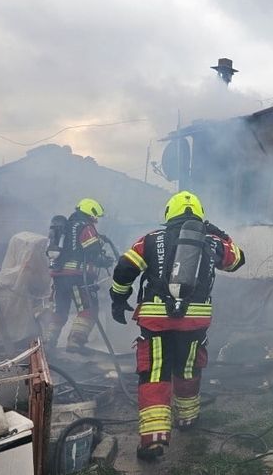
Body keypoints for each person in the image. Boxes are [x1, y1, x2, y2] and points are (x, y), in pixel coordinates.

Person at [109, 191, 245, 460]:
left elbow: (124, 268)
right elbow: (238, 261)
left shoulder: (150, 240)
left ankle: (153, 440)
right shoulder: (212, 242)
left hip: (156, 319)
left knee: (155, 372)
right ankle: (187, 418)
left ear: (169, 213)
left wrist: (118, 299)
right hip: (195, 320)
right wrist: (221, 234)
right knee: (188, 367)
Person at [45, 198, 112, 351]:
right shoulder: (85, 226)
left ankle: (49, 341)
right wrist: (104, 261)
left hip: (59, 277)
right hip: (78, 277)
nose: (96, 220)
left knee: (60, 310)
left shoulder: (65, 227)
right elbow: (92, 251)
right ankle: (75, 342)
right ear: (90, 212)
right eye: (95, 217)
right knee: (88, 309)